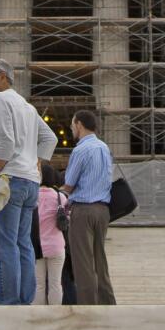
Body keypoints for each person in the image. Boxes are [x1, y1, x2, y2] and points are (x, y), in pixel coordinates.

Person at [0, 58, 57, 305]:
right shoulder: (27, 106)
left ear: (2, 76)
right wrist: (37, 162)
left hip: (7, 180)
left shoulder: (0, 100)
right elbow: (50, 139)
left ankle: (8, 302)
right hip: (29, 183)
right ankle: (24, 300)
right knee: (23, 243)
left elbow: (6, 142)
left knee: (3, 244)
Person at [62, 109, 116, 305]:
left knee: (83, 264)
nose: (72, 130)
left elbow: (69, 183)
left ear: (79, 125)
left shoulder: (81, 149)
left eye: (72, 126)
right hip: (102, 210)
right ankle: (108, 304)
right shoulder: (104, 147)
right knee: (100, 261)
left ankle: (88, 309)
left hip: (83, 209)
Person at [34, 164, 68, 305]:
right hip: (56, 246)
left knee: (39, 285)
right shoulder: (61, 198)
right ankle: (55, 315)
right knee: (55, 284)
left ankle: (38, 315)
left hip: (37, 247)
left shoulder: (32, 196)